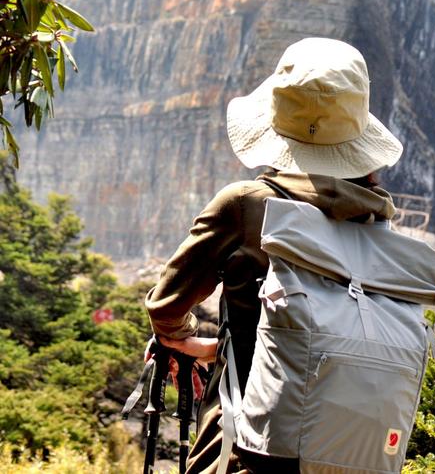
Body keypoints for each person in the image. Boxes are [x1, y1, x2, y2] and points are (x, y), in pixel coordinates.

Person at [145, 36, 403, 474]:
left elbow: (166, 305)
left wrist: (185, 339)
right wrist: (222, 346)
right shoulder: (378, 227)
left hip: (246, 448)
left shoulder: (247, 206)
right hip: (346, 454)